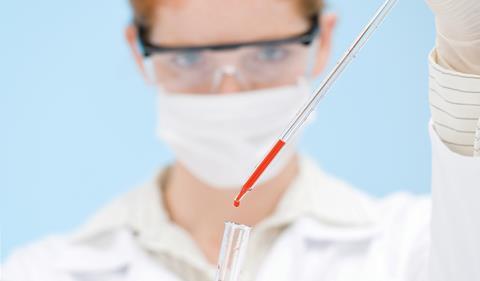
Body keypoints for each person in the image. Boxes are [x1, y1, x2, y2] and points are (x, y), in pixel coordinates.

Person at [2, 0, 479, 280]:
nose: (229, 92)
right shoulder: (41, 272)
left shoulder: (410, 248)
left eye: (270, 53)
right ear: (138, 51)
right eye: (189, 59)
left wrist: (468, 62)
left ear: (325, 43)